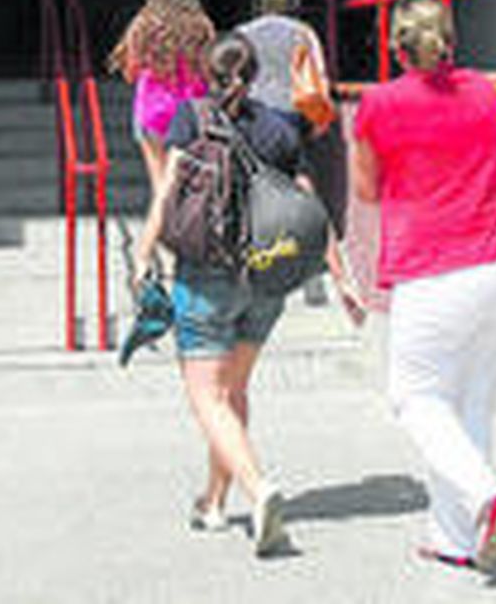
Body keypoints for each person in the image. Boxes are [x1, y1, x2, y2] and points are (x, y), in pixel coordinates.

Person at [351, 0, 496, 572]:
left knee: (415, 396)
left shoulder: (378, 104)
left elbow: (367, 191)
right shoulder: (494, 89)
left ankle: (482, 495)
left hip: (435, 271)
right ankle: (455, 539)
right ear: (451, 38)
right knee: (470, 400)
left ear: (396, 47)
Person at [131, 32, 361, 558]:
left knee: (207, 398)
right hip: (265, 278)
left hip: (206, 273)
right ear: (255, 75)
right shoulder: (280, 128)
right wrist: (340, 274)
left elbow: (167, 190)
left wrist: (145, 253)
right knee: (232, 393)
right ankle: (214, 501)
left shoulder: (190, 118)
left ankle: (259, 491)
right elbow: (309, 207)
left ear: (205, 74)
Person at [236, 0, 352, 292]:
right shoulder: (303, 32)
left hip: (255, 117)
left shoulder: (243, 33)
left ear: (259, 5)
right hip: (292, 117)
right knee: (301, 191)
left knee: (253, 189)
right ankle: (314, 264)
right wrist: (320, 120)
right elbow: (318, 77)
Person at [108, 0, 215, 196]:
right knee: (193, 183)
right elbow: (209, 71)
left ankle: (165, 227)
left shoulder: (143, 25)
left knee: (161, 182)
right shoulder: (202, 27)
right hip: (192, 111)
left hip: (152, 111)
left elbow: (131, 72)